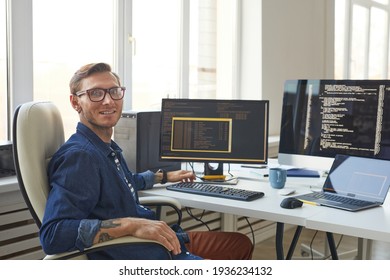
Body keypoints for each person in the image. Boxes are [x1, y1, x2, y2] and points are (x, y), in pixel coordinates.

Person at [39, 62, 254, 260]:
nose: (108, 100)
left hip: (160, 242)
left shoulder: (104, 147)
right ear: (75, 102)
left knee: (239, 244)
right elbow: (53, 235)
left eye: (114, 91)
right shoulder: (81, 157)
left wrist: (164, 176)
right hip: (142, 255)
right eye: (95, 93)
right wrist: (131, 225)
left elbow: (123, 182)